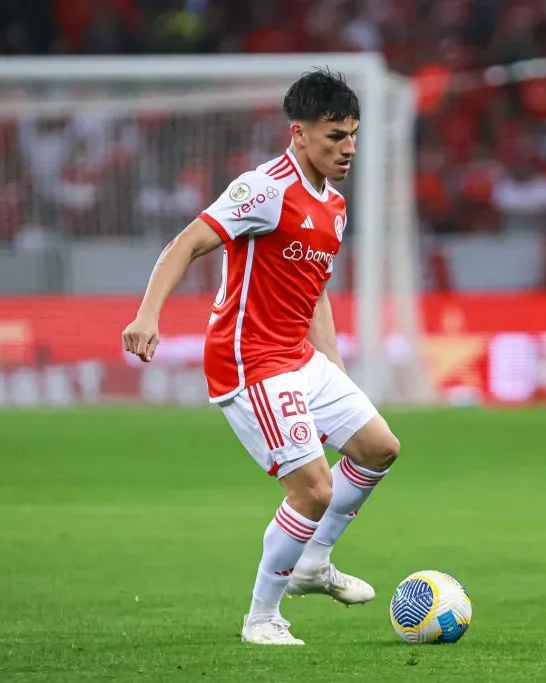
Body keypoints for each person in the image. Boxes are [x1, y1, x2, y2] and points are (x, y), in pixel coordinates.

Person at [120, 68, 401, 646]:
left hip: (298, 357)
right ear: (299, 134)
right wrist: (148, 314)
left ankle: (313, 563)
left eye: (352, 135)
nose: (348, 149)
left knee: (378, 448)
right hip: (249, 363)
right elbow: (188, 243)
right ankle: (262, 620)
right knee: (314, 490)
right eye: (334, 138)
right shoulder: (265, 189)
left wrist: (336, 373)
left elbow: (314, 292)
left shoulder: (336, 207)